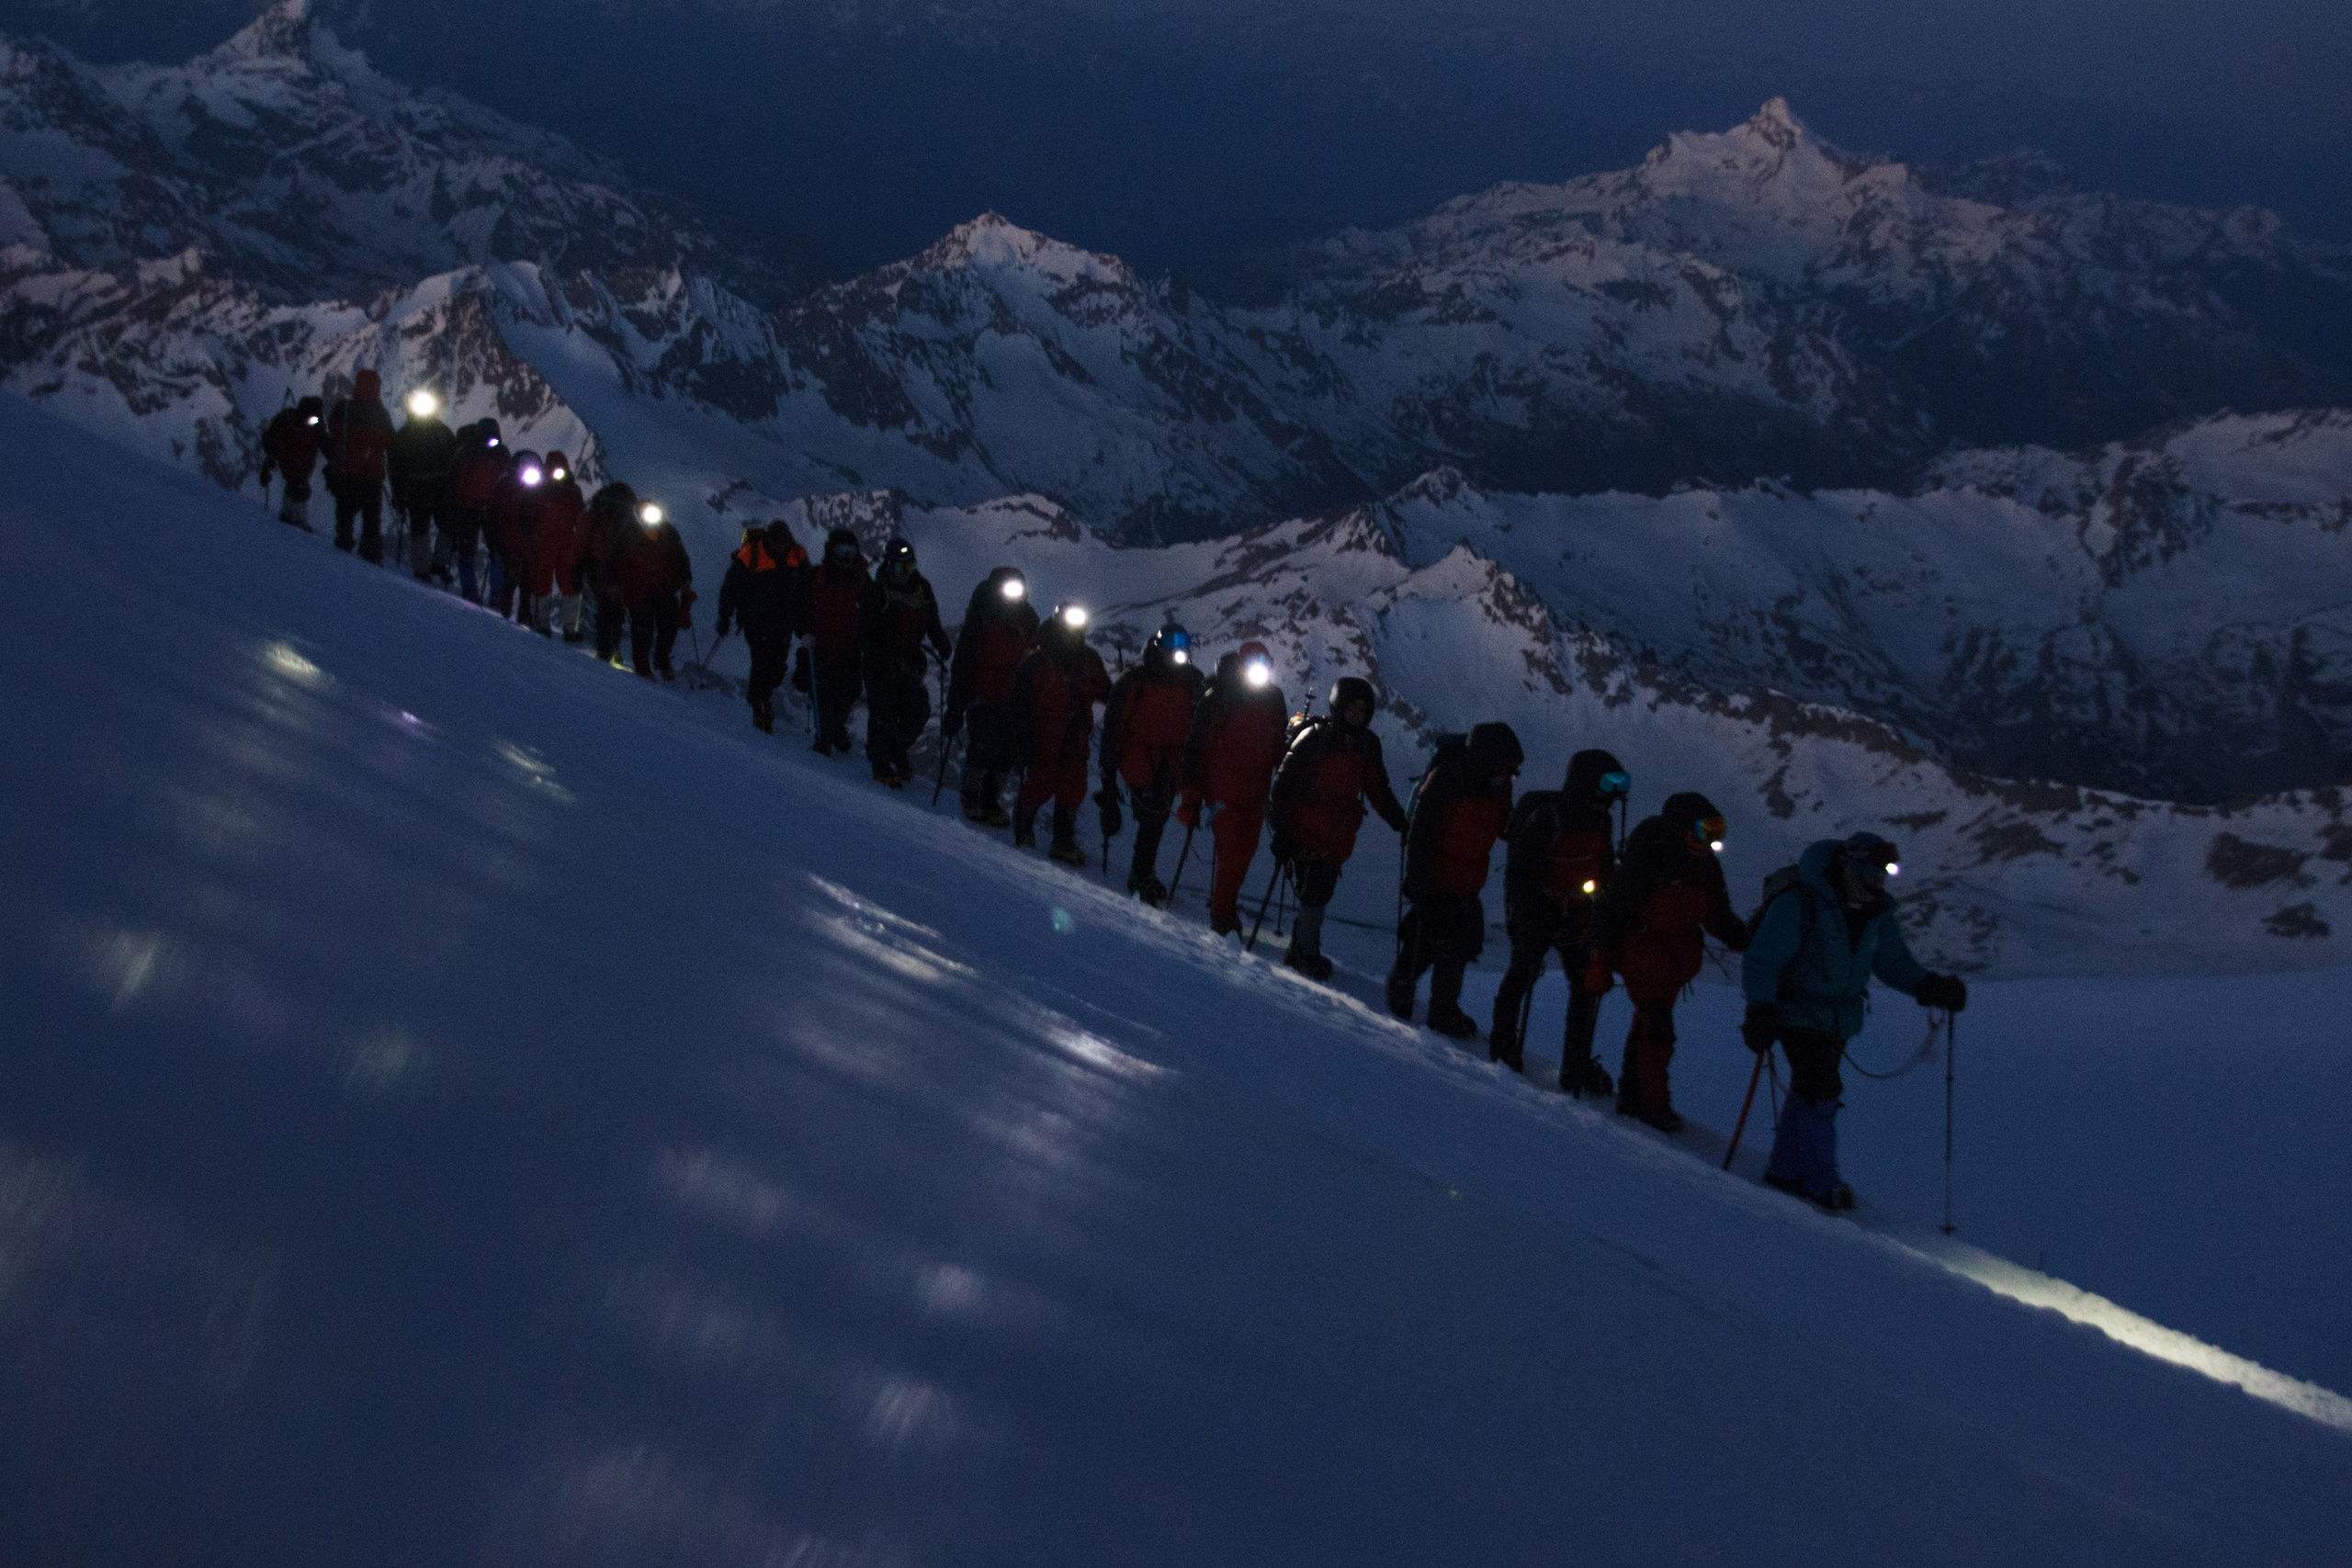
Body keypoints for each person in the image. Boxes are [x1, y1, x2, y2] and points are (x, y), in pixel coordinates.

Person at [1740, 833, 1968, 1210]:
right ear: (1849, 869)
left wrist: (1931, 986)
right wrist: (1761, 1008)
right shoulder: (1801, 902)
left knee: (1810, 1089)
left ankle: (1784, 1169)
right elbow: (1763, 960)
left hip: (1838, 1017)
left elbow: (1893, 962)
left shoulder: (1876, 913)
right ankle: (1820, 1181)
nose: (1878, 884)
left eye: (1882, 877)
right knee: (1823, 1088)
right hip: (1795, 1010)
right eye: (1871, 875)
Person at [1588, 791, 1749, 1132]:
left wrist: (1747, 939)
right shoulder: (1649, 859)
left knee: (1646, 1026)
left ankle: (1632, 1097)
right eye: (1702, 833)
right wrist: (1599, 961)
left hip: (1675, 963)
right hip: (1642, 956)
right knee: (1658, 1029)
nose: (1708, 843)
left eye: (1714, 834)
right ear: (1680, 830)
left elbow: (1717, 914)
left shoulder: (1704, 866)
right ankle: (1652, 1106)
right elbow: (1611, 910)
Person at [1487, 749, 1629, 1091]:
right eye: (1608, 783)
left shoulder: (1595, 820)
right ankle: (1505, 1046)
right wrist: (1532, 917)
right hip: (1543, 910)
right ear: (1588, 783)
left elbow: (1605, 873)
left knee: (1579, 983)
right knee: (1525, 971)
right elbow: (1522, 874)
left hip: (1573, 913)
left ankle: (1571, 1066)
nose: (1614, 793)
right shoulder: (1551, 818)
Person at [1266, 676, 1409, 980]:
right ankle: (1305, 954)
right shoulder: (1316, 738)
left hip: (1337, 837)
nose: (1357, 716)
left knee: (1318, 893)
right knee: (1315, 893)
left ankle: (1302, 949)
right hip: (1304, 830)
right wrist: (1280, 830)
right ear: (1338, 708)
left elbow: (1378, 790)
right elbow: (1283, 786)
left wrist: (1400, 822)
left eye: (1362, 710)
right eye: (1351, 710)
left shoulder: (1367, 746)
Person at [1388, 722, 1524, 1037]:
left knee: (1457, 944)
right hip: (1438, 879)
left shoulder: (1495, 784)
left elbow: (1504, 825)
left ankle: (1433, 1004)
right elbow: (1422, 837)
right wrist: (1420, 883)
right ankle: (1421, 997)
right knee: (1436, 941)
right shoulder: (1447, 779)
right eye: (1505, 768)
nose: (1508, 777)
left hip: (1467, 882)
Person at [1177, 642, 1286, 935]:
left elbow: (1278, 747)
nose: (1259, 667)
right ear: (1240, 664)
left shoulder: (1273, 699)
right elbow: (1196, 748)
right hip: (1222, 793)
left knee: (1245, 852)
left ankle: (1224, 906)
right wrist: (1191, 797)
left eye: (1265, 661)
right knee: (1231, 854)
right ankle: (1223, 915)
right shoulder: (1218, 698)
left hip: (1255, 794)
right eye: (1254, 661)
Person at [1099, 624, 1206, 903]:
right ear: (1159, 645)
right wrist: (1109, 776)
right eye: (1173, 642)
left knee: (1155, 819)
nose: (1179, 648)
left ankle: (1144, 872)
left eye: (1183, 641)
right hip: (1140, 757)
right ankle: (1140, 874)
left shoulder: (1190, 681)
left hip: (1170, 760)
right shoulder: (1137, 680)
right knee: (1153, 817)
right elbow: (1113, 727)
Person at [1008, 604, 1111, 864]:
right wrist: (1021, 737)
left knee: (1073, 785)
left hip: (1074, 735)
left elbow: (1105, 691)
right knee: (1040, 781)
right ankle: (1024, 826)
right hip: (1044, 733)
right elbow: (1020, 702)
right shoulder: (1038, 661)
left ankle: (1062, 839)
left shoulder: (1088, 660)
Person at [944, 567, 1040, 827]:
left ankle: (989, 800)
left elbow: (1036, 660)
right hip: (981, 693)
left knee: (1008, 749)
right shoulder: (981, 620)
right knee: (985, 743)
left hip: (1010, 698)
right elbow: (963, 663)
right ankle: (970, 794)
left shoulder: (1027, 622)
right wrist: (956, 705)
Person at [857, 539, 952, 785]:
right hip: (880, 662)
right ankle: (880, 761)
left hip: (909, 661)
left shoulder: (922, 589)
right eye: (901, 568)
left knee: (917, 711)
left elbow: (932, 621)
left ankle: (894, 749)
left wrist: (941, 642)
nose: (905, 574)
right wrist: (879, 657)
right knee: (883, 712)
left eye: (909, 567)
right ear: (889, 566)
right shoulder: (877, 591)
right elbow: (864, 632)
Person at [716, 519, 807, 733]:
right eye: (777, 543)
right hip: (755, 621)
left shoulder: (797, 554)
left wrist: (803, 619)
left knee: (776, 667)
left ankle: (761, 696)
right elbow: (731, 588)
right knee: (762, 662)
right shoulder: (751, 554)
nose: (780, 548)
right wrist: (724, 617)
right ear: (769, 540)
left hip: (783, 622)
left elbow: (806, 585)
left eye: (783, 544)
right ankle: (760, 707)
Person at [804, 527, 870, 756]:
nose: (846, 557)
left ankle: (835, 729)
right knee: (823, 695)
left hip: (848, 649)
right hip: (820, 647)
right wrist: (802, 631)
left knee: (849, 691)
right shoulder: (814, 577)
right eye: (842, 551)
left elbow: (872, 610)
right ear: (831, 552)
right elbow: (799, 607)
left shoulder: (861, 580)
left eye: (851, 552)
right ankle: (825, 738)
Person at [323, 369, 393, 562]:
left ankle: (342, 553)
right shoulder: (381, 414)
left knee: (345, 518)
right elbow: (390, 444)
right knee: (371, 522)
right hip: (372, 478)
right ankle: (370, 556)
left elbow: (333, 436)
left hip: (345, 474)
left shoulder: (343, 409)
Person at [387, 389, 457, 580]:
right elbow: (396, 467)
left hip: (423, 487)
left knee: (429, 527)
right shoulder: (441, 431)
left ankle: (428, 567)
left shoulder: (404, 435)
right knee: (428, 527)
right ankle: (430, 566)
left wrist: (399, 495)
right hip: (430, 487)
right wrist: (399, 494)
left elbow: (395, 466)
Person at [617, 497, 691, 680]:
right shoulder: (629, 534)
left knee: (669, 626)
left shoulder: (668, 532)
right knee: (643, 629)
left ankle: (662, 660)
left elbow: (681, 557)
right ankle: (642, 666)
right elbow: (618, 560)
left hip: (665, 587)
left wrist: (686, 579)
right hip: (639, 589)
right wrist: (617, 583)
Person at [523, 451, 586, 639]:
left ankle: (569, 627)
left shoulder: (572, 491)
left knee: (569, 582)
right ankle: (542, 621)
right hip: (546, 541)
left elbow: (579, 517)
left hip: (564, 542)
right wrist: (532, 533)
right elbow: (528, 515)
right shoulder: (541, 490)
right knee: (542, 580)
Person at [578, 481, 639, 665]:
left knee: (609, 609)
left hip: (605, 570)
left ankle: (607, 649)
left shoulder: (598, 515)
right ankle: (609, 649)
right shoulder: (626, 521)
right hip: (609, 571)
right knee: (611, 610)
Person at [447, 422, 509, 600]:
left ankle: (473, 592)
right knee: (492, 551)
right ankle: (492, 594)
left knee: (471, 551)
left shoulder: (468, 452)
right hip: (480, 509)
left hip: (475, 508)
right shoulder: (500, 454)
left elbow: (455, 481)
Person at [485, 450, 543, 621]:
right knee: (510, 580)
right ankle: (503, 614)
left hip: (524, 543)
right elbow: (497, 511)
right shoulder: (507, 485)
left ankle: (522, 616)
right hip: (511, 541)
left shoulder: (532, 489)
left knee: (526, 582)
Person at [258, 396, 324, 533]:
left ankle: (291, 518)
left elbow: (323, 442)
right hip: (292, 463)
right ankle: (296, 521)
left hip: (297, 465)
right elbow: (274, 440)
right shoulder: (293, 423)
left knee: (297, 487)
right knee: (299, 487)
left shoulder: (307, 423)